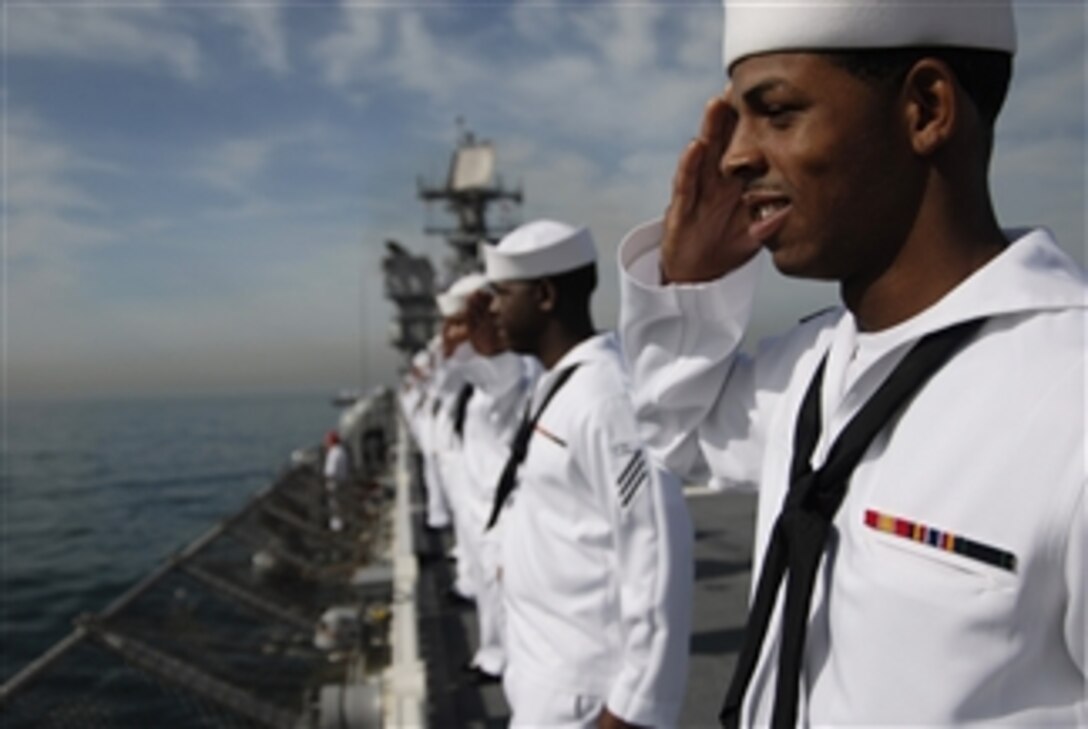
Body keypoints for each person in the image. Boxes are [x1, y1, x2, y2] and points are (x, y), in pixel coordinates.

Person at [618, 1, 1086, 726]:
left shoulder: (1070, 397)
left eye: (775, 112)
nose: (736, 155)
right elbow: (678, 430)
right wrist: (689, 285)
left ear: (926, 109)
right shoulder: (813, 365)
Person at [486, 219, 694, 728]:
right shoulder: (562, 385)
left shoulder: (606, 398)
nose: (491, 309)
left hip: (584, 695)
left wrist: (636, 703)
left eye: (500, 293)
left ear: (544, 295)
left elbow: (657, 545)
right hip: (544, 675)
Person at [439, 271, 541, 682]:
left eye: (460, 323)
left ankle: (503, 661)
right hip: (478, 505)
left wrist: (484, 348)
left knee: (506, 600)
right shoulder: (477, 377)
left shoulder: (508, 370)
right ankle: (492, 653)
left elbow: (501, 377)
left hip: (505, 510)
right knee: (488, 592)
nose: (449, 335)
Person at [322, 430, 350, 532]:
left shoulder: (333, 453)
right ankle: (343, 525)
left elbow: (330, 471)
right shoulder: (342, 451)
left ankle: (337, 528)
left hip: (335, 483)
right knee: (342, 505)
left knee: (335, 506)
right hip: (343, 481)